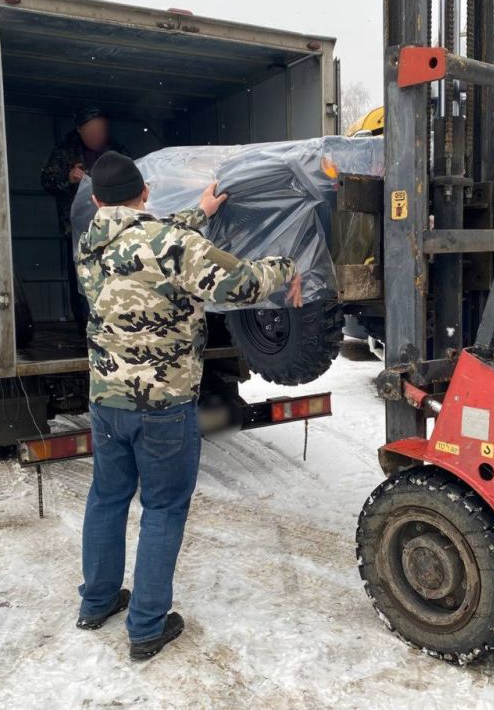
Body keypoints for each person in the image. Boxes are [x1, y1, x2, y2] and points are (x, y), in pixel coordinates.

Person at [74, 151, 302, 661]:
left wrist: (199, 212)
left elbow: (148, 240)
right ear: (146, 192)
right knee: (163, 508)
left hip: (107, 400)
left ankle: (97, 601)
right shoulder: (172, 245)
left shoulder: (90, 243)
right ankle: (147, 626)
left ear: (96, 200)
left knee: (107, 499)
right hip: (164, 403)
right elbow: (240, 283)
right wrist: (288, 267)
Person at [41, 107, 128, 326]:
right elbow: (47, 181)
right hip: (79, 230)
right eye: (92, 131)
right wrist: (68, 178)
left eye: (101, 130)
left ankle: (119, 324)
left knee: (118, 275)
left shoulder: (117, 152)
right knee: (83, 278)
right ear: (80, 130)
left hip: (117, 229)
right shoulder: (65, 152)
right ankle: (86, 328)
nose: (97, 136)